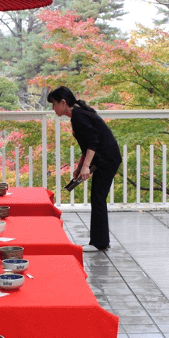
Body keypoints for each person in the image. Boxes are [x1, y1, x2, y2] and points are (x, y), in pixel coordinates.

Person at [48, 86, 122, 252]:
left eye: (54, 104)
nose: (53, 109)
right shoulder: (78, 115)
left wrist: (86, 166)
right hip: (104, 158)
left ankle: (99, 243)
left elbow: (93, 142)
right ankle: (100, 241)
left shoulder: (79, 116)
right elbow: (86, 145)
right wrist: (80, 167)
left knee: (98, 198)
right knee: (97, 198)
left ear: (63, 102)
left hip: (107, 159)